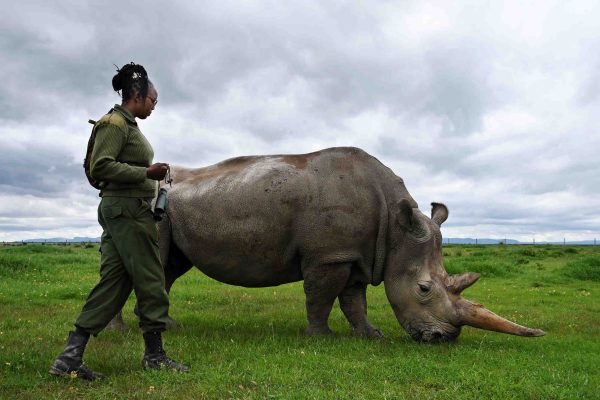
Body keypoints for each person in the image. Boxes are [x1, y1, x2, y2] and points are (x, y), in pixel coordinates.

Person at [49, 62, 188, 380]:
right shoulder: (114, 124)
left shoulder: (128, 125)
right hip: (126, 211)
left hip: (122, 210)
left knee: (113, 283)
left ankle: (69, 357)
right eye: (154, 101)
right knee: (152, 277)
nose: (154, 107)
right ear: (137, 96)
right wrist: (146, 173)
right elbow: (101, 167)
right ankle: (154, 356)